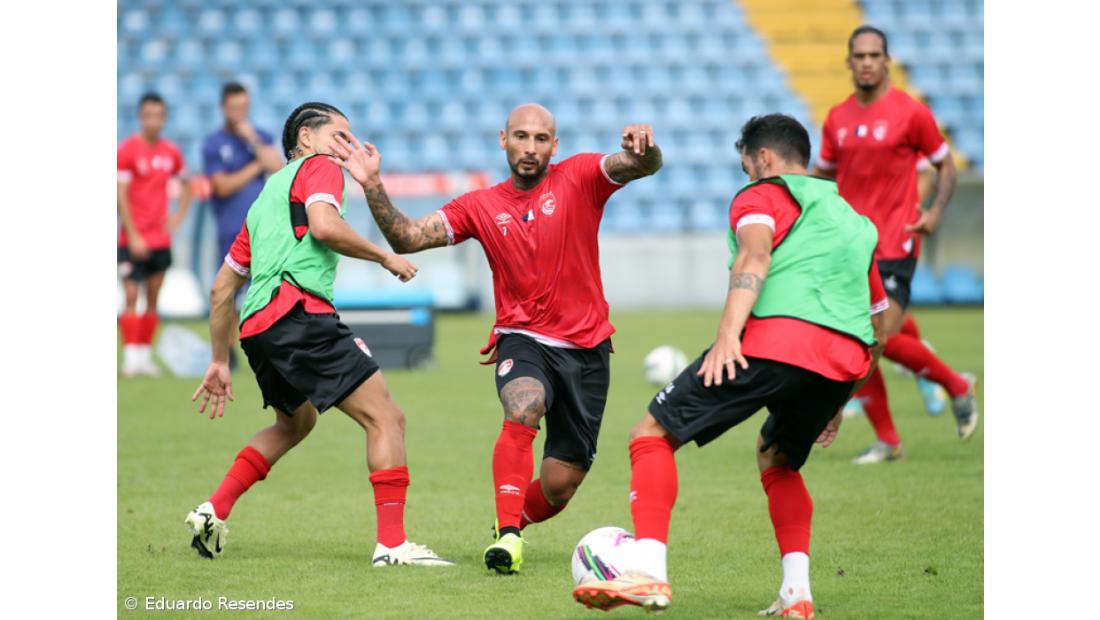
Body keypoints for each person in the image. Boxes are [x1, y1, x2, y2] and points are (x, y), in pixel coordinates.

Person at [571, 114, 887, 617]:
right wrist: (840, 397)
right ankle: (796, 595)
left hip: (774, 341)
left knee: (650, 434)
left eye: (746, 167)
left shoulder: (760, 195)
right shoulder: (855, 221)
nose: (746, 177)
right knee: (777, 458)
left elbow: (754, 256)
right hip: (843, 360)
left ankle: (648, 573)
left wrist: (726, 336)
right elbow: (879, 322)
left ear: (762, 159)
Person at [327, 103, 662, 574]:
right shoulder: (479, 206)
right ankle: (508, 536)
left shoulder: (581, 176)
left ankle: (515, 518)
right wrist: (372, 184)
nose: (530, 148)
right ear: (502, 139)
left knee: (560, 483)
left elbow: (641, 165)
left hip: (587, 350)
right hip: (522, 338)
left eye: (541, 139)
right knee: (523, 403)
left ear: (555, 146)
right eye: (520, 137)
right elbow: (407, 237)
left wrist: (644, 149)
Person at [186, 102, 451, 567]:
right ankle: (392, 546)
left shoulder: (265, 198)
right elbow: (326, 227)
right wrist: (385, 257)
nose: (347, 146)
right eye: (340, 135)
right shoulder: (320, 166)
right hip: (299, 314)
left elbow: (222, 288)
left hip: (257, 329)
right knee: (386, 418)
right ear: (305, 139)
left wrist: (218, 360)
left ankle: (213, 509)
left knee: (295, 423)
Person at [811, 25, 979, 464]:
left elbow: (945, 166)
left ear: (887, 61)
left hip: (894, 244)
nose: (866, 62)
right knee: (862, 339)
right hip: (850, 248)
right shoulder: (837, 119)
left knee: (870, 335)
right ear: (848, 62)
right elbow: (823, 176)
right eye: (859, 55)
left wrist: (936, 212)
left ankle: (951, 390)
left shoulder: (911, 113)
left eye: (874, 55)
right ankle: (900, 430)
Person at [117, 92, 192, 377]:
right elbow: (120, 195)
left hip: (160, 239)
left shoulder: (170, 152)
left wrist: (178, 217)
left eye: (157, 115)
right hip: (132, 239)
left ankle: (145, 357)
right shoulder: (127, 151)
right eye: (147, 115)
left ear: (164, 118)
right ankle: (130, 359)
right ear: (140, 117)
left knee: (152, 298)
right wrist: (133, 234)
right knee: (131, 295)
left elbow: (187, 184)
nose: (153, 121)